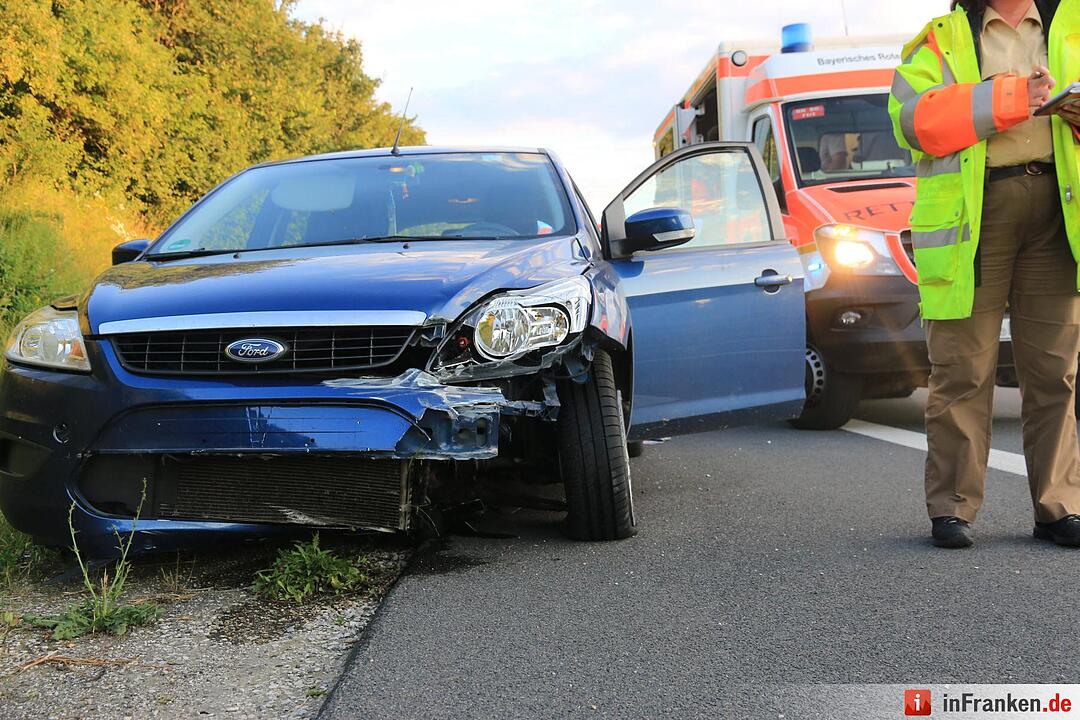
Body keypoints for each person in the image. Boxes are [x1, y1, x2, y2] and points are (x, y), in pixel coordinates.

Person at [889, 0, 1080, 548]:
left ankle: (1059, 505)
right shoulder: (940, 38)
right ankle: (952, 507)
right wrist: (1013, 97)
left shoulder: (1069, 26)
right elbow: (913, 120)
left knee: (1054, 371)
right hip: (977, 214)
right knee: (962, 369)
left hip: (1057, 209)